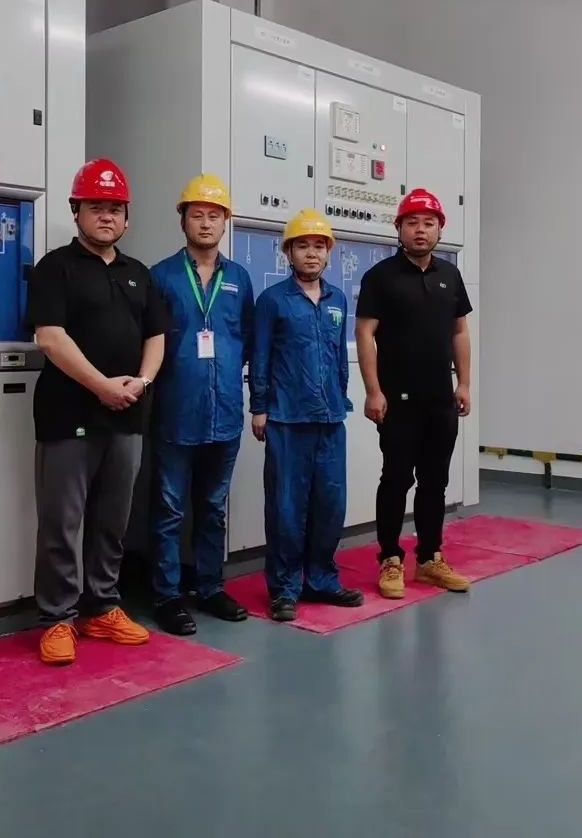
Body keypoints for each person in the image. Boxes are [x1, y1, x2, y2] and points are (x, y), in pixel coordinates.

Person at [26, 157, 169, 666]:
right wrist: (101, 386)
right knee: (62, 522)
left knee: (112, 520)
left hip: (127, 415)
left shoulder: (139, 275)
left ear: (126, 217)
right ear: (77, 212)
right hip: (68, 416)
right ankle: (57, 617)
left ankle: (101, 606)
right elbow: (50, 337)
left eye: (115, 208)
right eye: (95, 207)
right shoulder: (55, 268)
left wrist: (142, 382)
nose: (106, 216)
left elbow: (156, 337)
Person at [148, 174, 254, 635]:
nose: (206, 223)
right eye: (198, 215)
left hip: (225, 413)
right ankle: (166, 596)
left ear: (225, 222)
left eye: (214, 215)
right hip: (176, 412)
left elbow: (245, 338)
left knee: (213, 507)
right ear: (183, 221)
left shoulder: (240, 278)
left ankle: (210, 587)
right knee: (169, 510)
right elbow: (149, 340)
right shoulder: (161, 276)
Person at [355, 187, 473, 600]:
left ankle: (429, 559)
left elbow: (460, 331)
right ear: (399, 229)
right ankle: (390, 558)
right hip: (397, 400)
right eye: (412, 223)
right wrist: (373, 391)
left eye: (429, 223)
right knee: (396, 478)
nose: (420, 230)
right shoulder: (380, 277)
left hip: (440, 400)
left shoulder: (450, 276)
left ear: (440, 230)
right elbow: (365, 334)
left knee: (435, 481)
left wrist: (464, 383)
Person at [250, 209, 364, 622]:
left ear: (328, 252)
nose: (311, 253)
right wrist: (259, 407)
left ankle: (321, 580)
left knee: (330, 504)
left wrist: (341, 398)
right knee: (286, 507)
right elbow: (260, 356)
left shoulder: (337, 299)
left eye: (319, 246)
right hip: (286, 419)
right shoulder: (272, 301)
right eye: (303, 246)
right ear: (288, 252)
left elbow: (339, 359)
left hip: (330, 419)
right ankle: (284, 588)